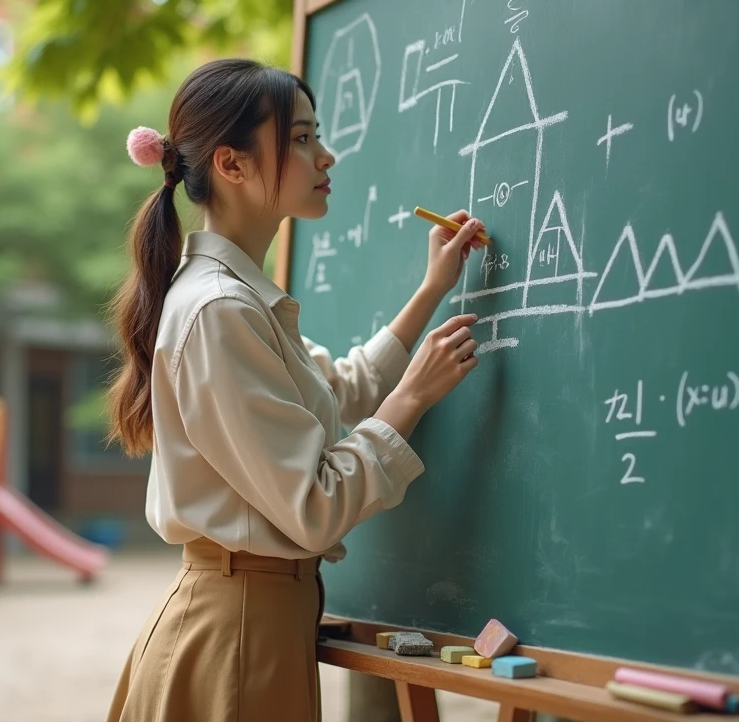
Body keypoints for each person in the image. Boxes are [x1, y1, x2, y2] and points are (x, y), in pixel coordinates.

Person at [104, 58, 486, 722]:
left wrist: (431, 292)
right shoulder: (220, 311)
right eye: (303, 138)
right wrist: (412, 397)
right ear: (232, 165)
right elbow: (313, 504)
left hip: (250, 627)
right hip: (237, 637)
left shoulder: (237, 300)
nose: (325, 156)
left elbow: (339, 390)